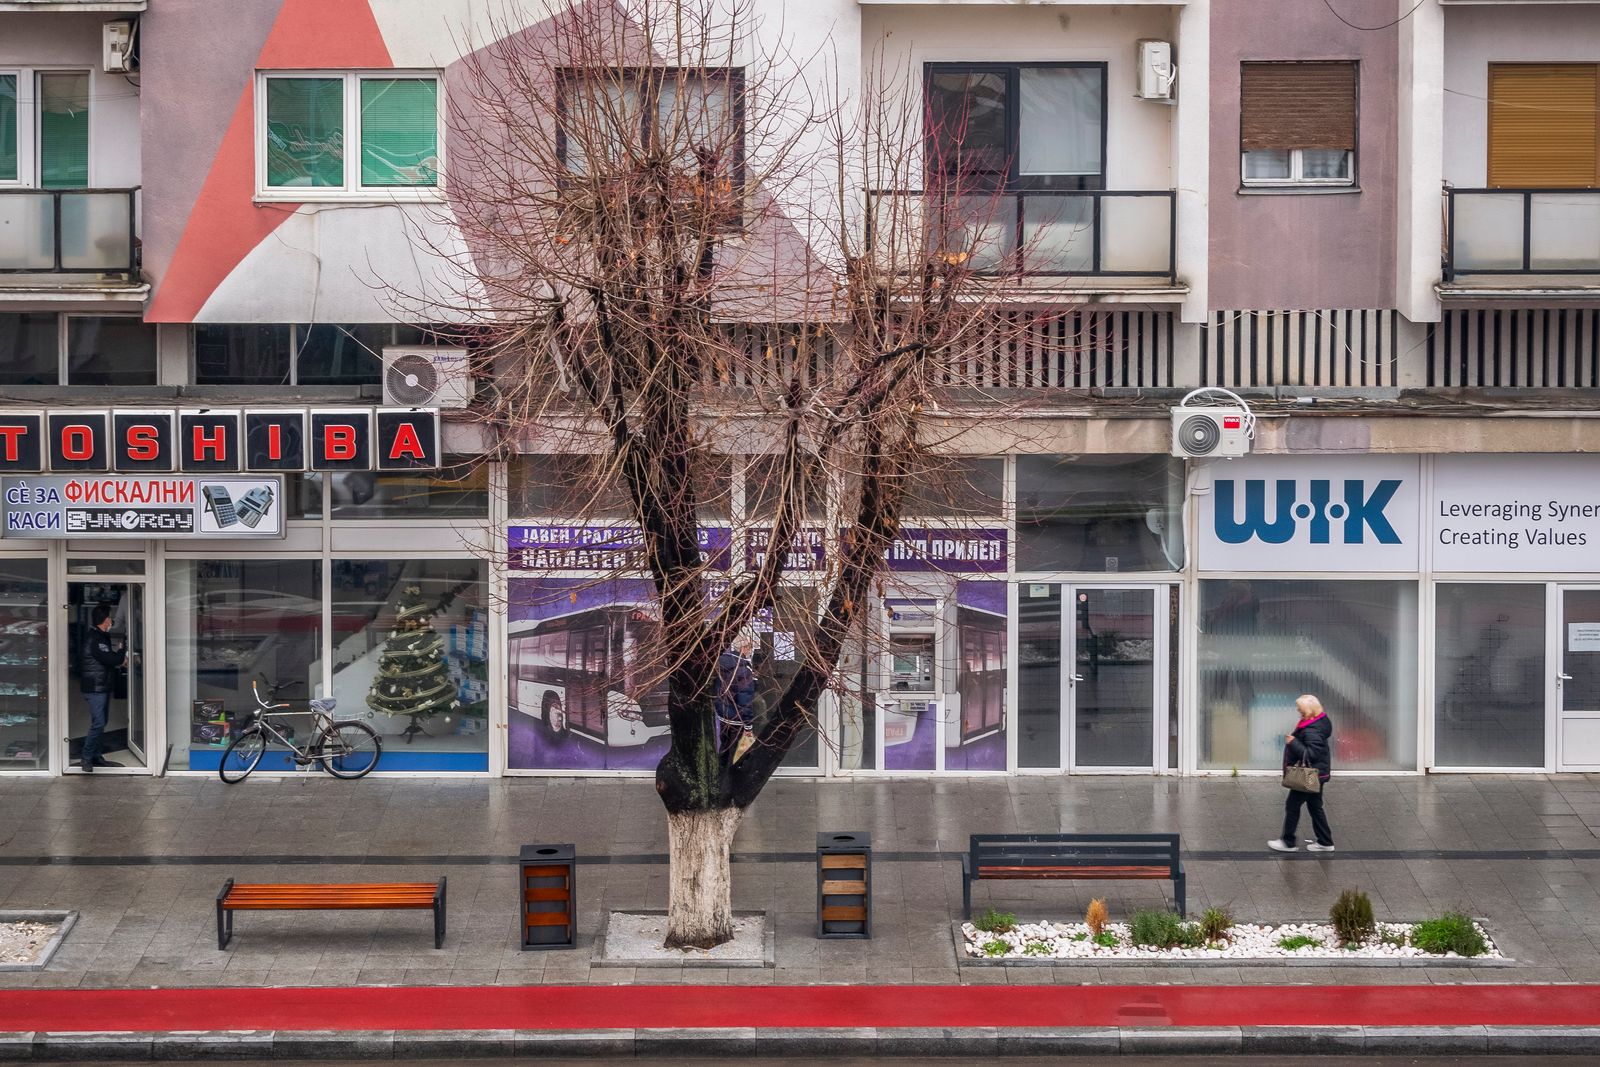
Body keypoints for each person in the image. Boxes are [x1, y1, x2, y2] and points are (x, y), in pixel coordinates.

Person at [1269, 694, 1334, 853]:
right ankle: (1325, 842)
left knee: (1292, 805)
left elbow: (1311, 754)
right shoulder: (1318, 722)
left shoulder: (1313, 730)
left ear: (1309, 710)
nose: (1298, 711)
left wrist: (1293, 742)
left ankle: (1288, 842)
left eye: (1300, 709)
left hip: (1309, 776)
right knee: (1315, 806)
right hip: (1318, 774)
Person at [80, 605, 126, 772]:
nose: (111, 621)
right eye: (110, 618)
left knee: (101, 722)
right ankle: (86, 757)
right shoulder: (96, 639)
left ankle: (96, 755)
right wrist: (122, 651)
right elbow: (110, 659)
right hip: (95, 688)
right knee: (98, 723)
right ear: (106, 620)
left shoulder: (99, 636)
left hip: (100, 686)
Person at [714, 631, 757, 753]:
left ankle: (721, 770)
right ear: (745, 648)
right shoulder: (743, 670)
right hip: (737, 719)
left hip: (723, 715)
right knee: (737, 753)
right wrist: (748, 725)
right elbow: (745, 700)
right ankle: (731, 771)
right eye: (750, 648)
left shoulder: (721, 665)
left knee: (725, 748)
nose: (750, 651)